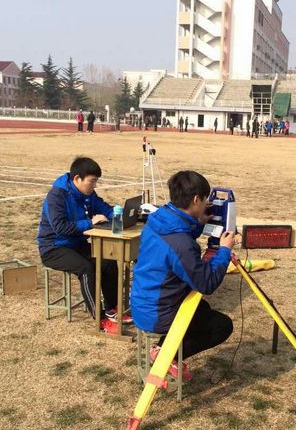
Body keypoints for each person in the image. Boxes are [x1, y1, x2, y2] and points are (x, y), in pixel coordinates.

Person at [131, 170, 235, 381]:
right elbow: (206, 283)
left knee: (202, 309)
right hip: (158, 313)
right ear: (196, 199)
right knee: (221, 325)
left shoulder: (158, 219)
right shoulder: (181, 244)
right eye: (204, 200)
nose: (205, 205)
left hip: (142, 302)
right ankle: (165, 354)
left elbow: (178, 238)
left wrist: (199, 223)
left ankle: (163, 349)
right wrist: (224, 250)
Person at [37, 156, 132, 327]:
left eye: (96, 181)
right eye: (92, 181)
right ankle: (100, 319)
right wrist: (90, 222)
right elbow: (60, 228)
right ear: (77, 179)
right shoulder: (56, 196)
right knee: (86, 268)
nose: (94, 186)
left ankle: (113, 309)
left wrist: (121, 215)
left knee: (108, 260)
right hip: (53, 248)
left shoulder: (88, 194)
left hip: (76, 244)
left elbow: (105, 208)